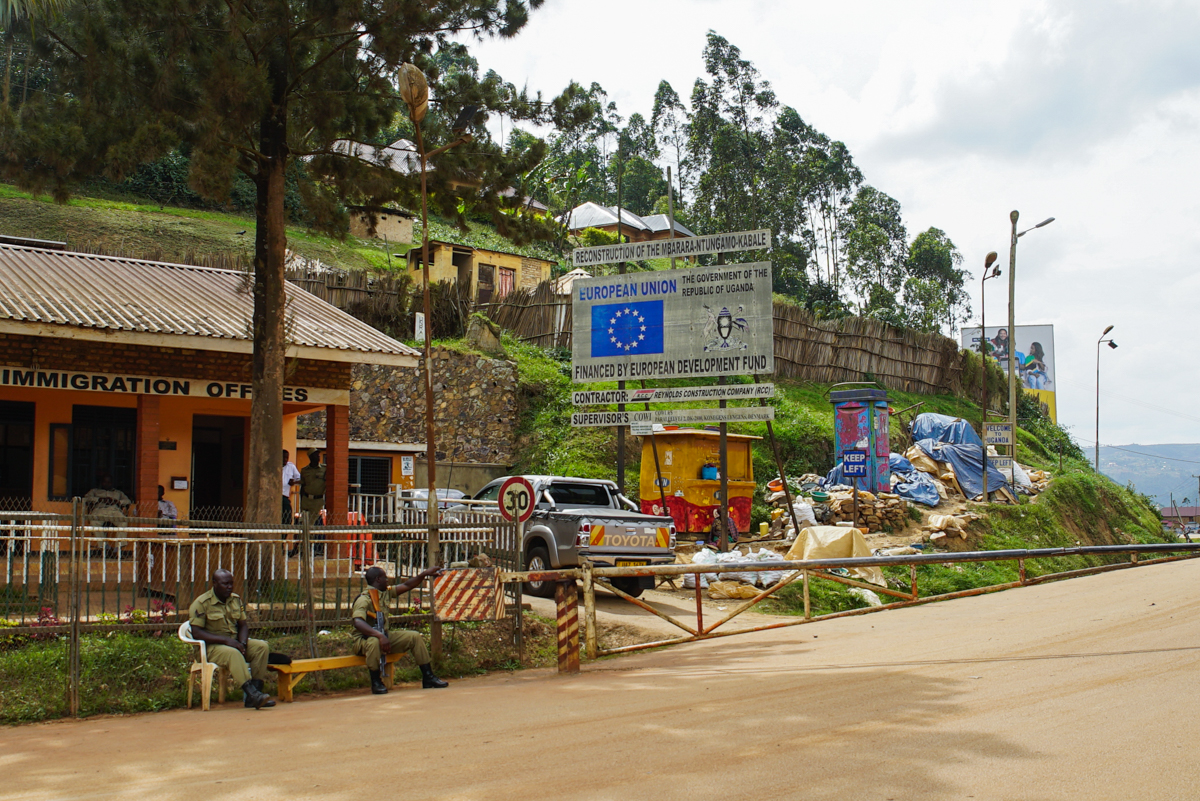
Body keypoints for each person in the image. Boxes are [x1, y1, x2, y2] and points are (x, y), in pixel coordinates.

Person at [352, 565, 449, 694]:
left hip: (383, 635)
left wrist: (423, 574)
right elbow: (357, 622)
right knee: (374, 642)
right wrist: (379, 636)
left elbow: (408, 585)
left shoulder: (385, 592)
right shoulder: (364, 599)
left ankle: (428, 677)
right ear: (378, 579)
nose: (387, 580)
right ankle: (376, 682)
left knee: (414, 637)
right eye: (384, 578)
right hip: (363, 641)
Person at [187, 569, 276, 709]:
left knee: (261, 647)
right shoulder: (202, 603)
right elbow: (197, 633)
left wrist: (242, 643)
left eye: (231, 583)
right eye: (225, 584)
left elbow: (243, 625)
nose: (229, 587)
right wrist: (227, 641)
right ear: (215, 583)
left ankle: (254, 696)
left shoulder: (235, 600)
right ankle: (253, 694)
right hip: (211, 647)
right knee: (232, 653)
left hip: (233, 642)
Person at [83, 474, 132, 557]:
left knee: (123, 521)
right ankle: (105, 547)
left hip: (114, 510)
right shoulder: (95, 491)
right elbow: (86, 498)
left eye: (109, 482)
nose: (107, 484)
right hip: (100, 510)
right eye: (105, 482)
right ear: (101, 483)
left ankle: (117, 549)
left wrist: (117, 502)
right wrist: (99, 499)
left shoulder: (118, 493)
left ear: (112, 483)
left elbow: (128, 501)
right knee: (94, 522)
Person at [290, 449, 326, 558]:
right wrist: (301, 502)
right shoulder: (305, 470)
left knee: (309, 525)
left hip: (317, 500)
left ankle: (307, 550)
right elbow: (303, 486)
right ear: (310, 457)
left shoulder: (325, 469)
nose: (318, 457)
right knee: (303, 524)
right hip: (306, 500)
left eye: (318, 455)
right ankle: (302, 549)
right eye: (315, 455)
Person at [282, 449, 301, 525]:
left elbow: (300, 479)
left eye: (286, 457)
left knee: (287, 519)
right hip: (274, 497)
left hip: (285, 496)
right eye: (283, 457)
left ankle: (283, 536)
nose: (285, 459)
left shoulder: (291, 466)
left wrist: (294, 482)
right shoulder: (274, 466)